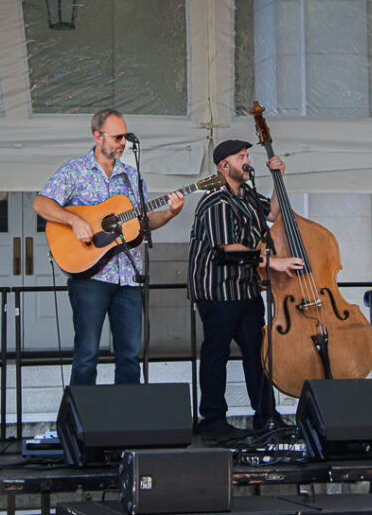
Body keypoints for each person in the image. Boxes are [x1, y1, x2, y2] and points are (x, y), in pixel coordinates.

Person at [33, 109, 184, 386]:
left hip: (128, 277)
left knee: (129, 356)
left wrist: (171, 213)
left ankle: (126, 424)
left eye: (124, 137)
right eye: (116, 137)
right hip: (90, 277)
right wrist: (73, 220)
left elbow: (143, 222)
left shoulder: (131, 177)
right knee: (87, 354)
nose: (122, 142)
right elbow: (41, 203)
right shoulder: (74, 170)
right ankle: (80, 424)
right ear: (97, 136)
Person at [187, 139, 304, 435]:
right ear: (224, 166)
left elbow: (273, 213)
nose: (247, 161)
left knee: (259, 351)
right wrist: (272, 262)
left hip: (246, 287)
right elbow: (228, 247)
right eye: (241, 157)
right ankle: (213, 421)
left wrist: (278, 178)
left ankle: (265, 415)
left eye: (247, 155)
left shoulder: (247, 195)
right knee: (217, 353)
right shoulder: (216, 200)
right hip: (218, 290)